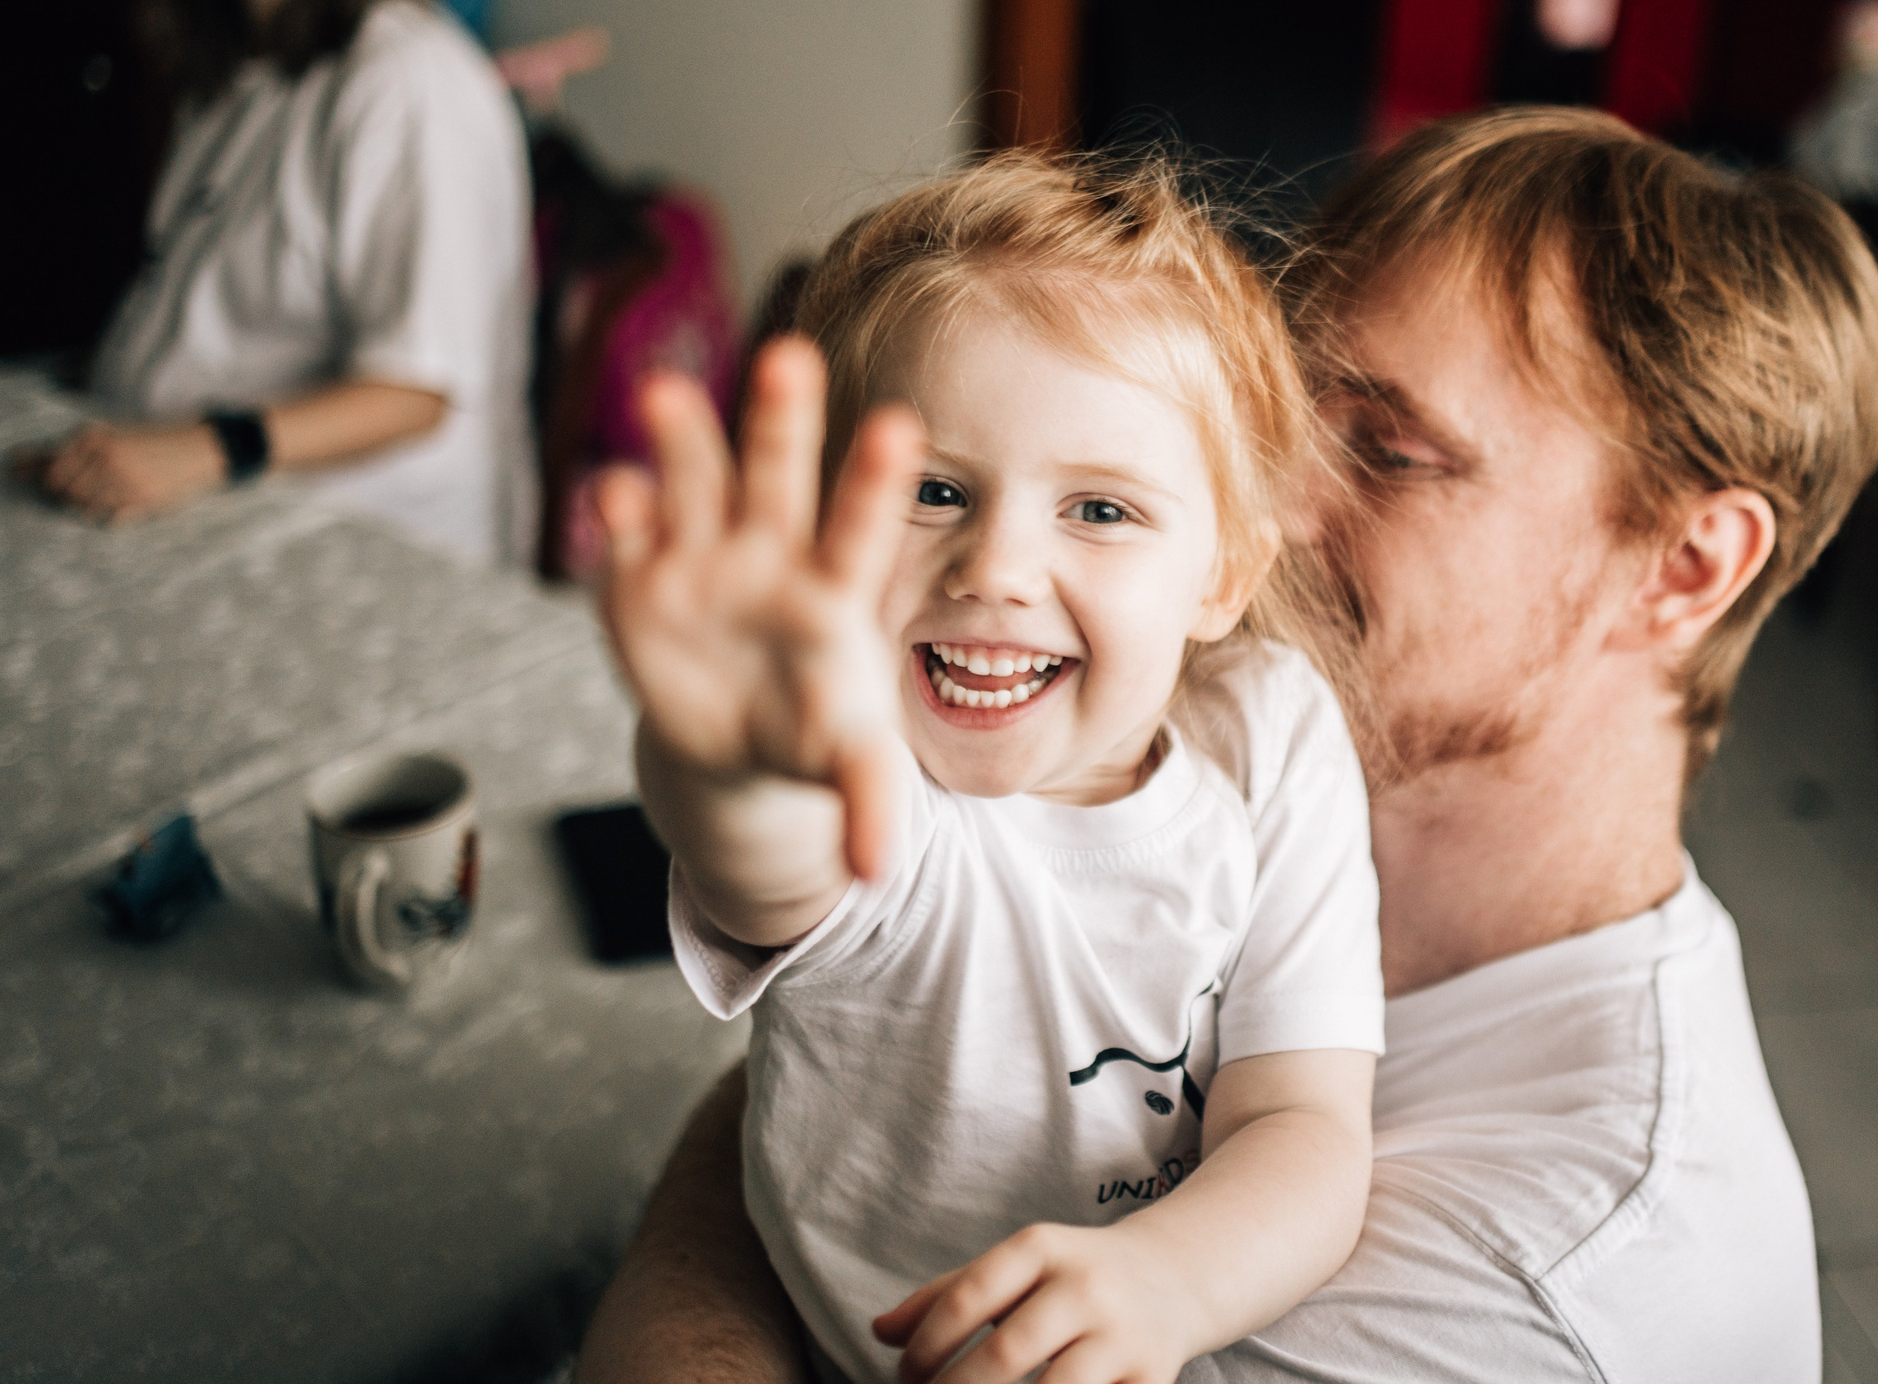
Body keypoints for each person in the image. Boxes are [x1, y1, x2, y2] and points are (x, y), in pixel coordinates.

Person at [574, 106, 1878, 1383]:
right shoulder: (1227, 729)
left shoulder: (1536, 1289)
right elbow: (835, 1026)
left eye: (1389, 449)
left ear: (1682, 564)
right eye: (1284, 406)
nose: (1263, 493)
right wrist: (736, 768)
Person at [592, 155, 1385, 1384]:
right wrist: (725, 756)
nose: (996, 568)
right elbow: (773, 853)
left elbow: (1306, 1126)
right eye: (936, 491)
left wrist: (1168, 1278)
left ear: (1224, 575)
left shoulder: (1272, 735)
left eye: (1101, 511)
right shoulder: (880, 778)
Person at [25, 0, 533, 565]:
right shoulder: (236, 62)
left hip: (359, 551)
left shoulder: (405, 80)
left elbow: (416, 389)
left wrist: (200, 449)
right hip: (204, 494)